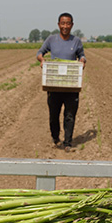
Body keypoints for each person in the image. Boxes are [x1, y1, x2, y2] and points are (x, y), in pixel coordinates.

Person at [36, 12, 86, 151]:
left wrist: (82, 60)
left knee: (70, 115)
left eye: (68, 23)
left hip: (70, 85)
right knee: (53, 115)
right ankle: (55, 137)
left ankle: (68, 142)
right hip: (54, 85)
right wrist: (42, 60)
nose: (65, 26)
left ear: (72, 25)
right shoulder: (51, 39)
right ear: (58, 25)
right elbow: (40, 52)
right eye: (63, 23)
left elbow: (82, 55)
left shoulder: (76, 41)